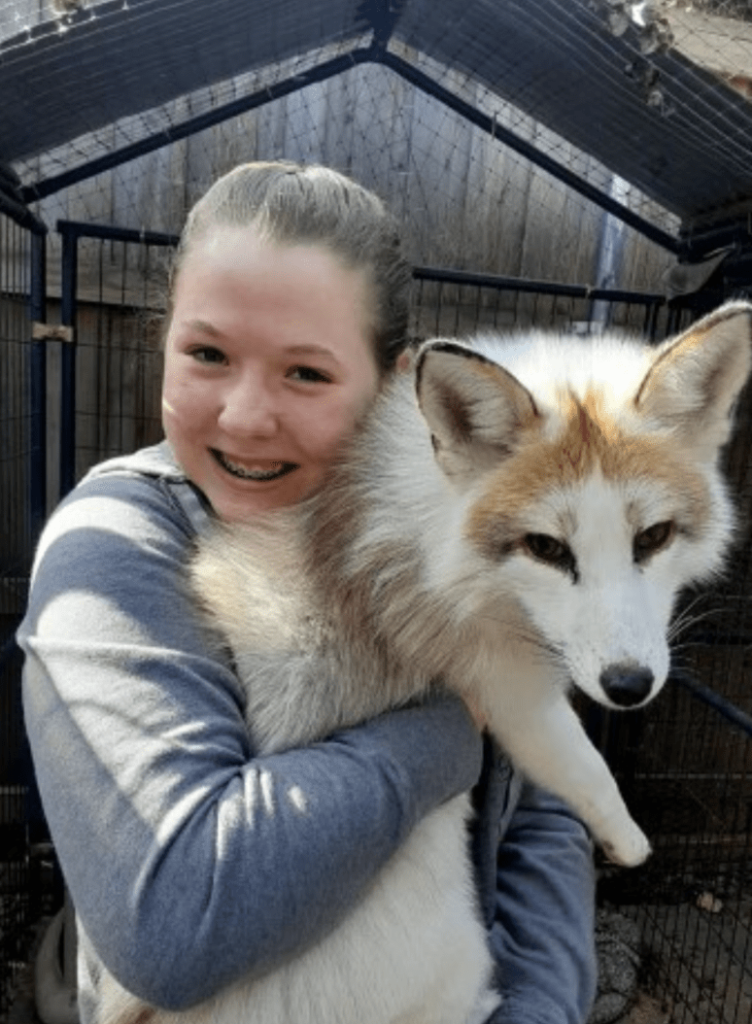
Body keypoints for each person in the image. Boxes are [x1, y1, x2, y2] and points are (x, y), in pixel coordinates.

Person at [19, 161, 597, 1024]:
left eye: (307, 374)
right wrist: (452, 727)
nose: (246, 417)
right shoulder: (115, 541)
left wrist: (541, 1005)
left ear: (392, 387)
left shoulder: (460, 537)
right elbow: (175, 921)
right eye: (207, 354)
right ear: (164, 340)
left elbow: (544, 803)